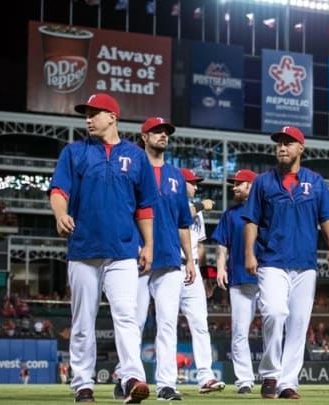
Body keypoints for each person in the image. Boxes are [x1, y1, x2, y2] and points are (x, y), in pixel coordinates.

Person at [49, 93, 154, 404]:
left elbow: (145, 206)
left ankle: (133, 376)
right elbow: (58, 190)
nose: (88, 118)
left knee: (127, 315)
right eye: (87, 113)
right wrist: (60, 213)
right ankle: (83, 384)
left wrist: (148, 244)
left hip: (123, 250)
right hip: (84, 250)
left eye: (95, 113)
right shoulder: (74, 152)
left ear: (113, 117)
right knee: (83, 321)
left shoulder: (135, 157)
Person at [242, 126, 329, 399]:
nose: (282, 147)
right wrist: (249, 253)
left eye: (288, 143)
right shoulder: (263, 181)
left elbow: (326, 219)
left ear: (301, 148)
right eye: (279, 144)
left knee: (298, 323)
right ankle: (271, 374)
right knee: (274, 312)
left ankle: (288, 382)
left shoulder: (316, 182)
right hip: (272, 259)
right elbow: (251, 220)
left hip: (305, 263)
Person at [137, 117, 196, 401]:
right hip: (137, 258)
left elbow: (184, 222)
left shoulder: (176, 176)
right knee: (132, 323)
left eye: (166, 132)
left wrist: (190, 259)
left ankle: (166, 385)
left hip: (171, 259)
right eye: (157, 131)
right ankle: (130, 378)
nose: (163, 135)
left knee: (168, 324)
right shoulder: (134, 168)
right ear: (144, 136)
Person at [211, 169, 260, 394]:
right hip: (239, 278)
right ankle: (244, 381)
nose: (234, 187)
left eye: (239, 183)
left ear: (251, 186)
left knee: (274, 327)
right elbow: (221, 245)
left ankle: (275, 377)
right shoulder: (230, 214)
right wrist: (220, 268)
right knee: (240, 331)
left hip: (266, 277)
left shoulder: (266, 209)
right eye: (234, 184)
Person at [178, 168, 226, 394]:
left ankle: (206, 377)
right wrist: (199, 206)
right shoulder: (171, 200)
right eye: (192, 183)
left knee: (200, 324)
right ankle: (164, 381)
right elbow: (178, 215)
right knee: (165, 326)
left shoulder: (198, 212)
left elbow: (200, 246)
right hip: (170, 268)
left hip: (194, 270)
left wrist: (207, 276)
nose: (196, 187)